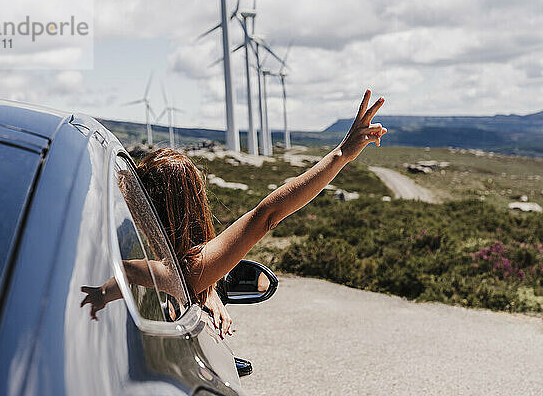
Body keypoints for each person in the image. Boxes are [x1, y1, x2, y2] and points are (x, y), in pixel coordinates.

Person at [82, 90, 387, 337]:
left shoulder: (186, 269)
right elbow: (266, 214)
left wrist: (98, 291)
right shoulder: (191, 268)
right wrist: (206, 290)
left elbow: (134, 271)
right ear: (193, 203)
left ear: (147, 205)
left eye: (134, 201)